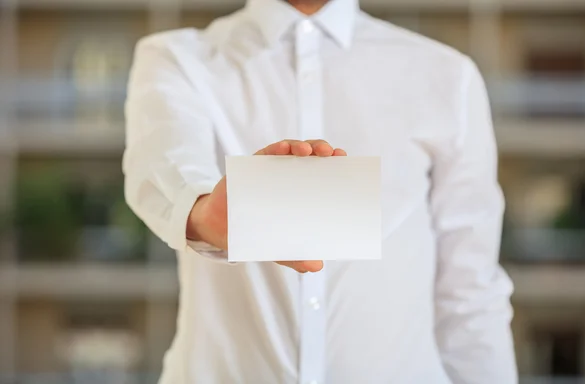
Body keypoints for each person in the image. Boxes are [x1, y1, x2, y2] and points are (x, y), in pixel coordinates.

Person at [123, 0, 517, 382]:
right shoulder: (174, 58)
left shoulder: (448, 75)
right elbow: (163, 163)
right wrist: (207, 214)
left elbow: (470, 290)